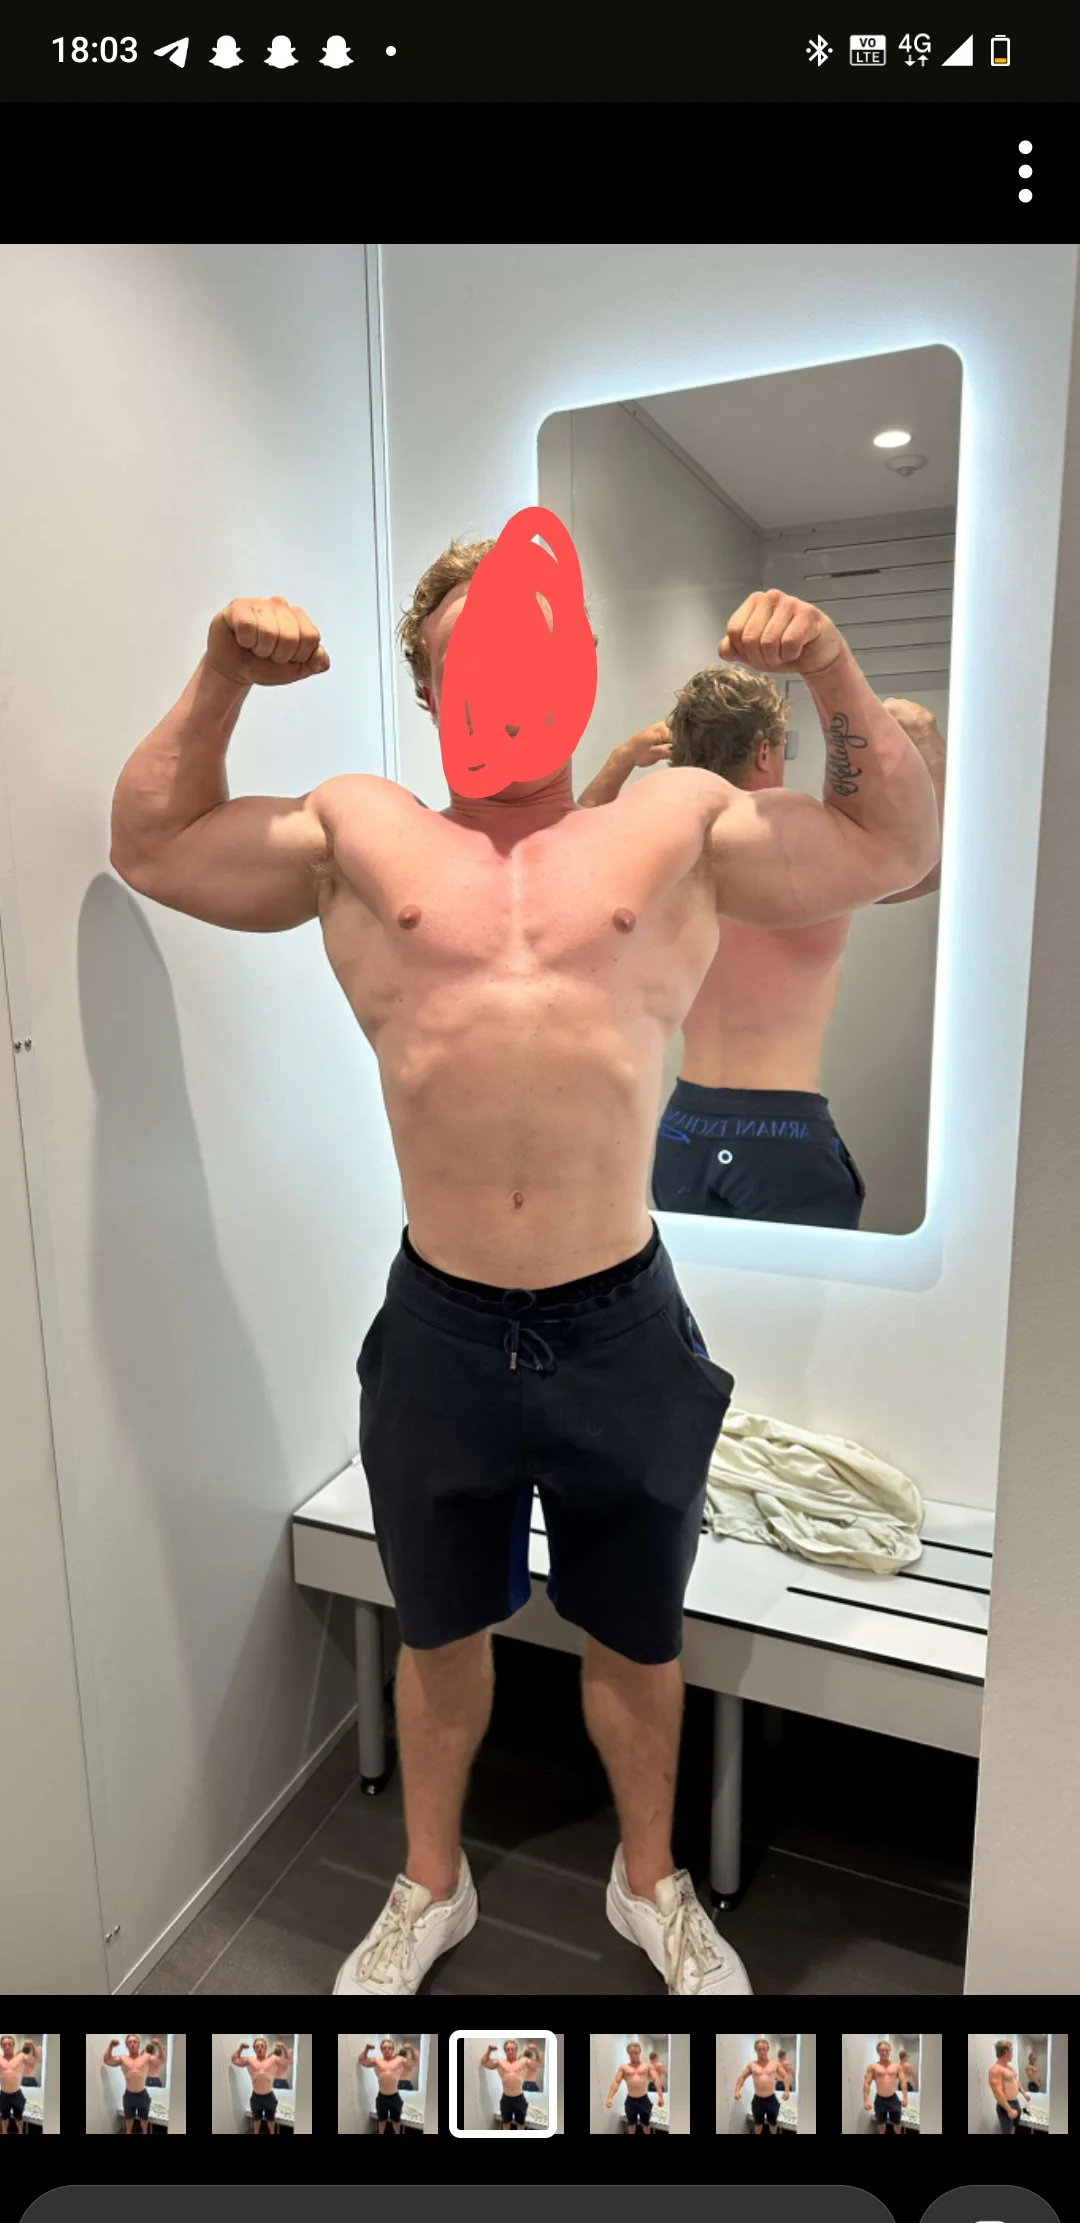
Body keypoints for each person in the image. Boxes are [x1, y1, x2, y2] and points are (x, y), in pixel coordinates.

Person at [110, 551, 938, 2001]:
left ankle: (649, 1881)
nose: (497, 673)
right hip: (440, 1320)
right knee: (438, 1628)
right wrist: (225, 675)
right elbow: (156, 844)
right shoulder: (361, 832)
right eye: (465, 654)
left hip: (621, 1318)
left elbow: (889, 845)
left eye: (527, 644)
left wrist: (828, 668)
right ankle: (430, 1884)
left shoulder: (671, 822)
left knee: (637, 1628)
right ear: (431, 688)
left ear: (576, 665)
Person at [582, 673, 946, 1228]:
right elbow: (925, 865)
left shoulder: (656, 850)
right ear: (763, 750)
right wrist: (924, 743)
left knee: (706, 1285)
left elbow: (572, 847)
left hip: (684, 1131)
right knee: (799, 1290)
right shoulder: (813, 845)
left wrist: (620, 761)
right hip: (782, 1139)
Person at [232, 2036, 293, 2135]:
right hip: (256, 2096)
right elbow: (234, 2059)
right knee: (256, 2119)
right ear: (254, 2049)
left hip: (269, 2096)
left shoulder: (273, 2059)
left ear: (266, 2048)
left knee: (271, 2120)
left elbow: (290, 2061)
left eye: (262, 2046)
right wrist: (241, 2048)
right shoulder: (250, 2060)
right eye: (257, 2046)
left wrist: (283, 2047)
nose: (259, 2048)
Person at [360, 2036, 420, 2135]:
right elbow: (362, 2061)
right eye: (384, 2048)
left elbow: (415, 2062)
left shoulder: (400, 2060)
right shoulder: (376, 2060)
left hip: (394, 2097)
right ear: (381, 2050)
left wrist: (411, 2048)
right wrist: (367, 2048)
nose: (387, 2050)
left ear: (393, 2049)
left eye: (389, 2048)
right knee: (381, 2121)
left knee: (396, 2122)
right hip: (382, 2097)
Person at [481, 2040, 543, 2131]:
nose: (510, 2052)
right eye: (508, 2049)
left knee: (520, 2123)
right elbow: (484, 2063)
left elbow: (539, 2064)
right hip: (506, 2098)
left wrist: (536, 2049)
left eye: (512, 2049)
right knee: (506, 2123)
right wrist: (489, 2050)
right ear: (505, 2051)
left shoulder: (523, 2061)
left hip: (519, 2098)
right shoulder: (500, 2062)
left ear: (516, 2050)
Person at [606, 2038, 665, 2134]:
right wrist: (610, 2097)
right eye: (631, 2053)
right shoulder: (624, 2068)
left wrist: (660, 2096)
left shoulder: (647, 2066)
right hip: (630, 2100)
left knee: (646, 2125)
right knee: (631, 2125)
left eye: (635, 2053)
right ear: (628, 2053)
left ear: (639, 2053)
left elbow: (656, 2079)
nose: (633, 2055)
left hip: (643, 2100)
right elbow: (616, 2082)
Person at [735, 2036, 789, 2135]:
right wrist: (737, 2090)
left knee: (773, 2124)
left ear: (768, 2049)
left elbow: (785, 2076)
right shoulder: (752, 2065)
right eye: (759, 2049)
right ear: (756, 2050)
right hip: (758, 2100)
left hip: (771, 2099)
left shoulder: (775, 2063)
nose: (761, 2052)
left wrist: (786, 2091)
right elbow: (742, 2077)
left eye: (764, 2049)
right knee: (758, 2125)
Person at [105, 2035, 158, 2136]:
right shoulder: (123, 2059)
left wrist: (159, 2047)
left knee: (144, 2120)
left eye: (134, 2042)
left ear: (138, 2044)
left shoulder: (145, 2058)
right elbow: (107, 2060)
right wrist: (111, 2045)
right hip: (129, 2095)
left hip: (143, 2094)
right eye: (130, 2042)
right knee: (129, 2120)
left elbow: (158, 2061)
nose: (132, 2044)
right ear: (126, 2045)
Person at [863, 2039, 909, 2135]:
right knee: (881, 2125)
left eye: (886, 2050)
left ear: (889, 2051)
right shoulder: (873, 2067)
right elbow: (867, 2083)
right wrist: (866, 2100)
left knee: (897, 2124)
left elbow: (903, 2082)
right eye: (881, 2050)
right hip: (880, 2099)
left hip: (893, 2099)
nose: (884, 2052)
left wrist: (905, 2097)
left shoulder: (896, 2066)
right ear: (878, 2052)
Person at [0, 2036, 41, 2135]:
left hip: (16, 2094)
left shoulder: (21, 2056)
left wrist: (32, 2045)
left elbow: (36, 2060)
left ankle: (20, 2132)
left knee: (18, 2117)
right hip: (4, 2094)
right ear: (1, 2046)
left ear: (13, 2046)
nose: (7, 2046)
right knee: (4, 2117)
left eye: (9, 2044)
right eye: (4, 2044)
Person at [989, 2040, 1026, 2134]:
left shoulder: (1009, 2068)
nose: (1012, 2054)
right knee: (1007, 2132)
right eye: (1011, 2051)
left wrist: (1024, 2093)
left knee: (1014, 2128)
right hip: (1005, 2105)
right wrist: (1009, 2110)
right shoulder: (995, 2070)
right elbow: (997, 2092)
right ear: (1006, 2052)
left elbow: (1016, 2081)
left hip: (1015, 2102)